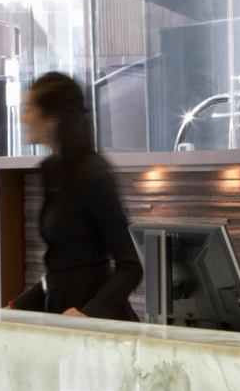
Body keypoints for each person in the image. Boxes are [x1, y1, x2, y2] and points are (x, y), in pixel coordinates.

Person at [9, 72, 142, 320]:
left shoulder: (93, 174)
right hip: (63, 315)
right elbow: (61, 270)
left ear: (52, 119)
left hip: (96, 325)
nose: (23, 117)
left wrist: (87, 314)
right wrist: (17, 307)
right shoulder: (51, 170)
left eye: (29, 108)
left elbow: (131, 267)